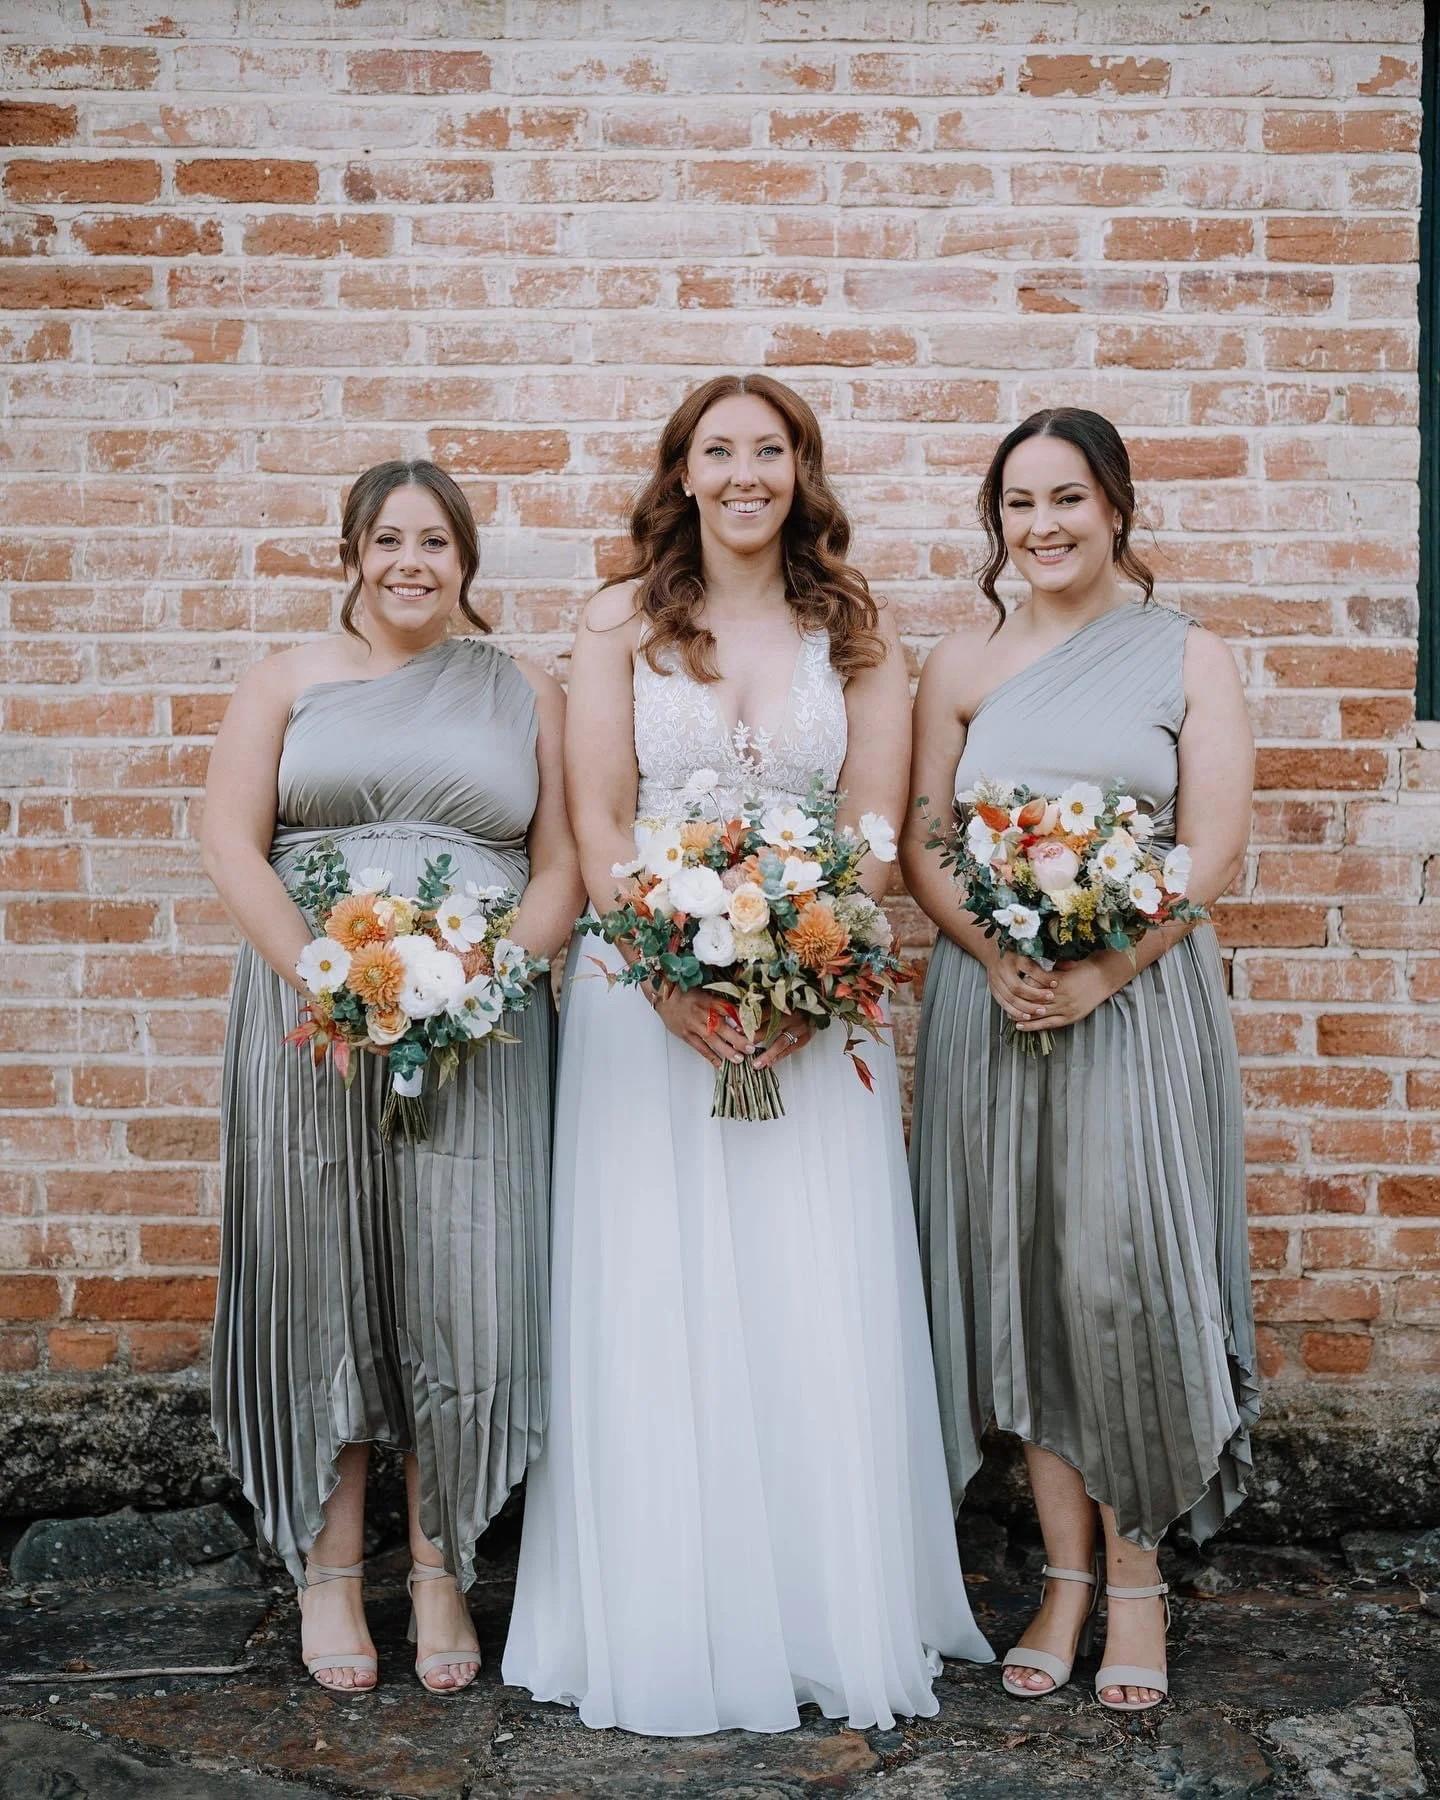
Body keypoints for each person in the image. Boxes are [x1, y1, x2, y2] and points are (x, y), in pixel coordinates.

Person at [503, 373, 992, 1736]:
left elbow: (873, 828)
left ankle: (821, 1605)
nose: (743, 473)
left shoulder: (860, 636)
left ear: (801, 471)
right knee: (655, 1297)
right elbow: (601, 819)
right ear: (682, 473)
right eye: (716, 451)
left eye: (767, 450)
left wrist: (810, 970)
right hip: (639, 1003)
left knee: (805, 1292)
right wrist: (671, 987)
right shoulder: (617, 623)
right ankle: (661, 1614)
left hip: (814, 1001)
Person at [203, 460, 582, 1693]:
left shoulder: (525, 688)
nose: (410, 562)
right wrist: (324, 978)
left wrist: (482, 988)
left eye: (435, 541)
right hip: (311, 1027)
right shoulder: (288, 680)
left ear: (467, 559)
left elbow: (563, 864)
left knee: (461, 1282)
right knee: (323, 1277)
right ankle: (326, 1570)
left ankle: (437, 1569)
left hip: (482, 1034)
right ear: (352, 553)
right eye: (387, 540)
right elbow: (229, 840)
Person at [901, 407, 1258, 1713]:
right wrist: (992, 955)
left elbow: (1208, 849)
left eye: (1066, 499)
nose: (1041, 527)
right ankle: (1059, 1581)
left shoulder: (1188, 656)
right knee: (1032, 1284)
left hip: (1134, 1003)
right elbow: (924, 844)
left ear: (1115, 504)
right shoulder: (961, 663)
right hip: (990, 1005)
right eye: (1018, 505)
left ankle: (1142, 1581)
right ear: (995, 522)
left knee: (1125, 1279)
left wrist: (1109, 964)